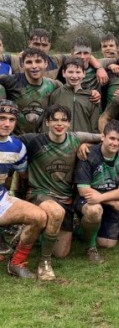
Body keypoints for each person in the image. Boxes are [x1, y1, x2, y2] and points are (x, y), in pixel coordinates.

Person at [20, 104, 111, 280]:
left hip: (66, 198)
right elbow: (8, 139)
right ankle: (44, 263)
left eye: (63, 120)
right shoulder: (34, 140)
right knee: (55, 212)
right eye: (54, 120)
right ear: (47, 122)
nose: (59, 124)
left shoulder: (76, 138)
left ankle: (39, 233)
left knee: (61, 252)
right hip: (40, 194)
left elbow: (107, 138)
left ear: (69, 123)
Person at [0, 100, 47, 279]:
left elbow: (23, 174)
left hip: (1, 199)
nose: (6, 123)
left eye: (11, 119)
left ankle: (16, 262)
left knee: (39, 216)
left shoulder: (17, 147)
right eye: (2, 118)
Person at [75, 120, 119, 260]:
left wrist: (102, 199)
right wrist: (112, 202)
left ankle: (80, 229)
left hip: (105, 198)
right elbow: (84, 190)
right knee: (95, 210)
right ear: (103, 137)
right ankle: (91, 247)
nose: (115, 143)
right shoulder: (88, 154)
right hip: (87, 200)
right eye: (112, 138)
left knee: (108, 244)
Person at [48, 58, 100, 133]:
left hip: (84, 142)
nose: (74, 76)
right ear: (63, 73)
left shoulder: (91, 97)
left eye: (78, 72)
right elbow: (49, 120)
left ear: (84, 74)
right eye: (70, 72)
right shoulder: (55, 94)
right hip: (61, 141)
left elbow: (94, 126)